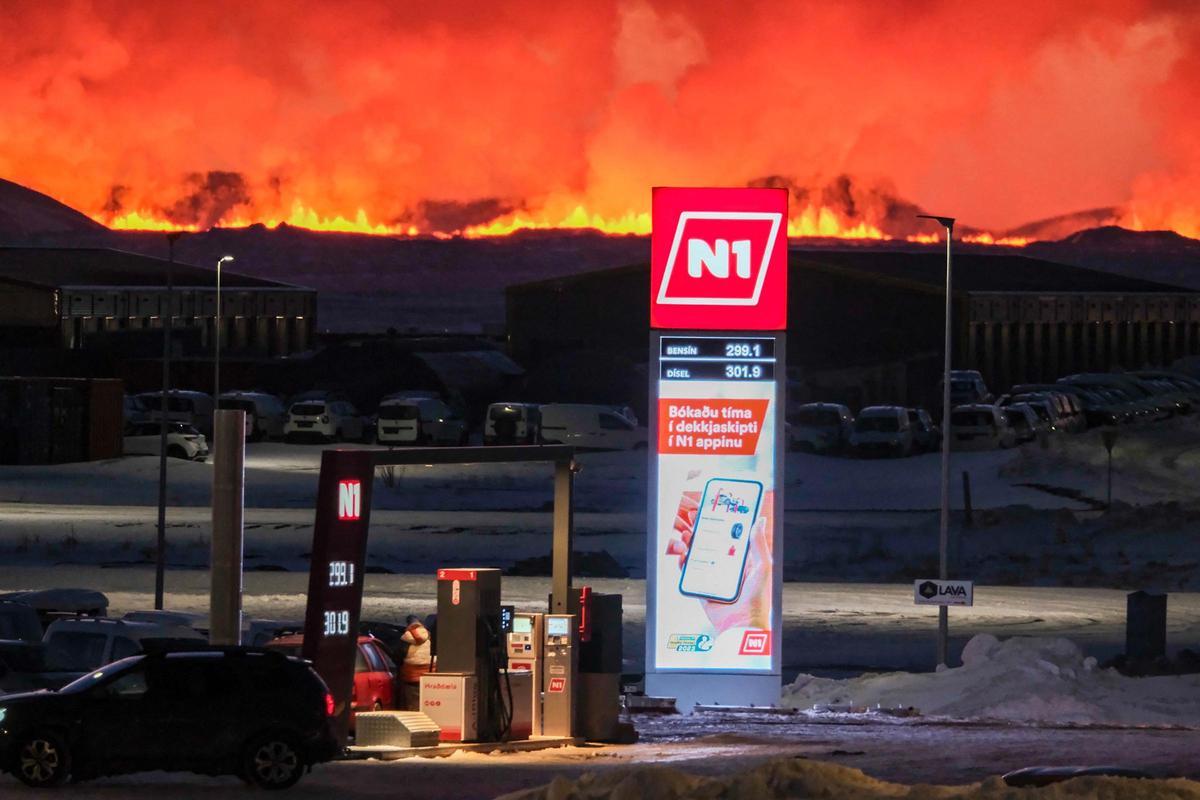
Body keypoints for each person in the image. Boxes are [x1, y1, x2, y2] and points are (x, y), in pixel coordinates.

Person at [400, 614, 432, 710]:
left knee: (413, 701)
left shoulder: (405, 638)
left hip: (411, 674)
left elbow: (399, 655)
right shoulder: (428, 636)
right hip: (428, 672)